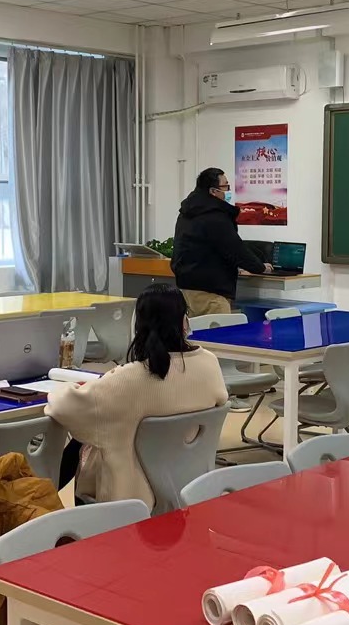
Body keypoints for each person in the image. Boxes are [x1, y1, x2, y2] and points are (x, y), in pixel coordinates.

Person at [46, 283, 227, 510]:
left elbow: (64, 407)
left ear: (138, 326)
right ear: (184, 321)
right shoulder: (209, 363)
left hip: (134, 498)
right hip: (192, 485)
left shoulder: (130, 379)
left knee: (84, 445)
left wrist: (70, 387)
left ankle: (46, 506)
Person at [171, 168, 271, 317]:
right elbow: (234, 248)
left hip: (187, 289)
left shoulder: (187, 213)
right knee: (218, 332)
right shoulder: (215, 216)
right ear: (213, 191)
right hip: (211, 293)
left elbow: (205, 248)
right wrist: (259, 267)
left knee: (194, 331)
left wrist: (236, 267)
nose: (228, 191)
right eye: (226, 186)